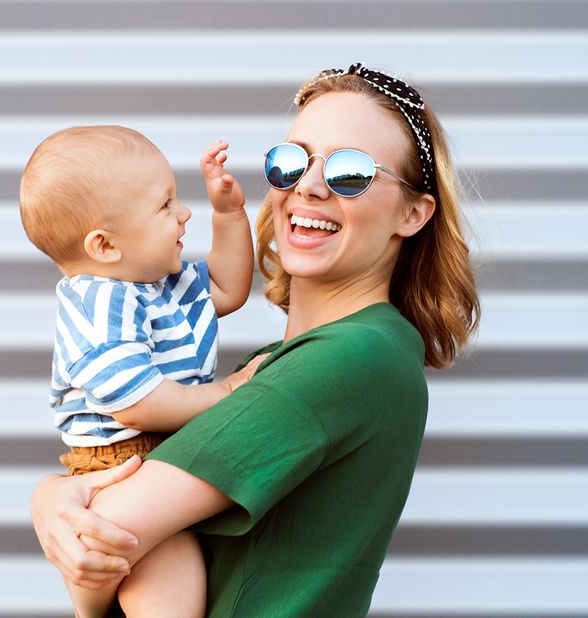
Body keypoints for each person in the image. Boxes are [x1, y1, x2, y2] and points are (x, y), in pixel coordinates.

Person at [30, 63, 480, 616]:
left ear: (413, 213)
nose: (309, 186)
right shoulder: (284, 362)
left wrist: (51, 501)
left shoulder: (354, 357)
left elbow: (105, 536)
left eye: (350, 172)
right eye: (293, 162)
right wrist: (55, 500)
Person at [18, 125, 258, 617]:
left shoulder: (159, 285)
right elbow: (138, 400)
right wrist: (224, 393)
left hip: (156, 455)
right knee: (173, 582)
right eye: (165, 205)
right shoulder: (100, 301)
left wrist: (229, 214)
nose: (183, 214)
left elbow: (229, 289)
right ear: (105, 246)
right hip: (120, 465)